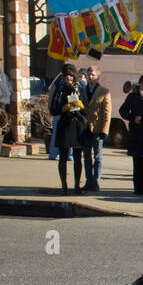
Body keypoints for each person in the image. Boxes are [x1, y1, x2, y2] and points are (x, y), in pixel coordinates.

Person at [49, 64, 87, 194]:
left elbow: (87, 109)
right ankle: (64, 185)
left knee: (78, 157)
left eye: (71, 75)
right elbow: (53, 110)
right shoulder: (60, 89)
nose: (69, 78)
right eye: (67, 76)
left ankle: (77, 185)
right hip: (64, 125)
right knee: (63, 157)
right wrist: (63, 108)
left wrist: (81, 106)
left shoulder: (81, 89)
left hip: (77, 125)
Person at [82, 66, 111, 191]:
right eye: (89, 75)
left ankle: (96, 181)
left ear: (98, 76)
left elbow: (107, 112)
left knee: (98, 156)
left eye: (93, 75)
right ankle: (89, 180)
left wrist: (105, 130)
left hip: (98, 127)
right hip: (85, 127)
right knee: (86, 155)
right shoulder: (82, 90)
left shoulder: (104, 91)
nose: (90, 77)